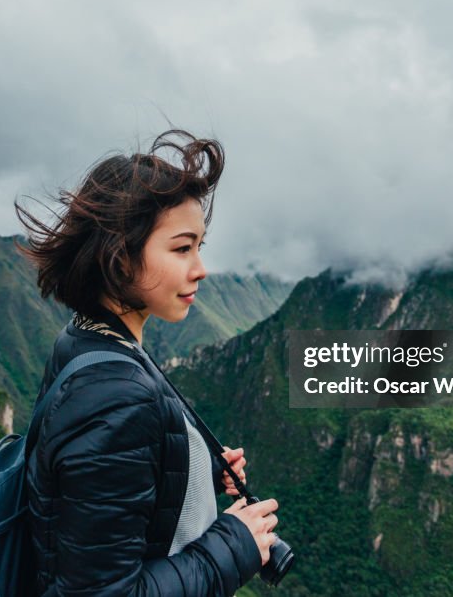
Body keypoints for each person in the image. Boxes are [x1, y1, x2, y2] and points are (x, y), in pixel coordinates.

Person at [14, 130, 279, 596]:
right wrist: (235, 544)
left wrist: (189, 469)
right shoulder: (115, 398)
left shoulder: (87, 339)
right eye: (181, 248)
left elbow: (103, 490)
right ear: (120, 257)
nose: (200, 268)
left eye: (200, 246)